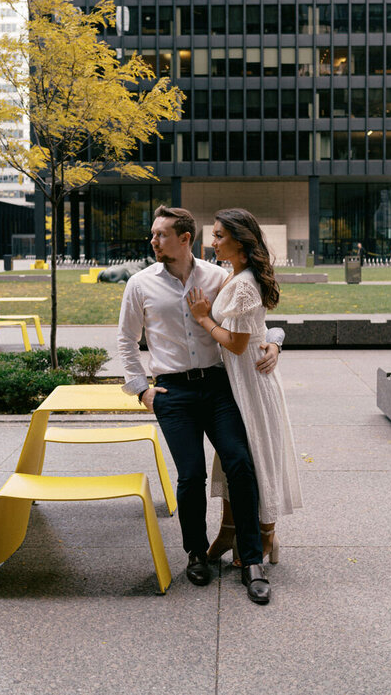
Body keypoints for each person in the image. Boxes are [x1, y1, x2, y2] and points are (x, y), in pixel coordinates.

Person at [117, 205, 286, 605]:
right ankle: (196, 551)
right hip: (172, 393)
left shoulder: (218, 277)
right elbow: (126, 341)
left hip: (218, 386)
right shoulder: (140, 284)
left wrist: (275, 340)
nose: (153, 240)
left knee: (240, 464)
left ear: (185, 238)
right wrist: (140, 388)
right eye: (153, 234)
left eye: (161, 234)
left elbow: (257, 316)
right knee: (190, 475)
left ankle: (251, 561)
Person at [185, 208, 303, 570]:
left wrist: (203, 318)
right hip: (237, 381)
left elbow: (237, 344)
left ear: (240, 240)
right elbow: (260, 327)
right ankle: (229, 530)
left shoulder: (244, 283)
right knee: (234, 460)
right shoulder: (234, 275)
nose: (213, 241)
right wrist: (275, 339)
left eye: (220, 235)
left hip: (251, 382)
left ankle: (267, 535)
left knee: (258, 458)